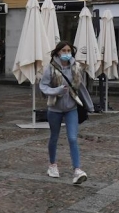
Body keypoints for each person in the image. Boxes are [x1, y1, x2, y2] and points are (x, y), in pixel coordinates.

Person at [39, 41, 94, 185]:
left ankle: (77, 170)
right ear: (58, 52)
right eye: (63, 50)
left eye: (68, 50)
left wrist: (89, 105)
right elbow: (43, 86)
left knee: (73, 138)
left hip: (71, 108)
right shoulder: (50, 68)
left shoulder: (76, 67)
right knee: (54, 137)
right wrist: (56, 90)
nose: (66, 53)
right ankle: (52, 165)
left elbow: (81, 87)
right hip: (54, 109)